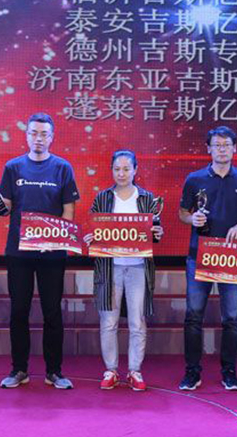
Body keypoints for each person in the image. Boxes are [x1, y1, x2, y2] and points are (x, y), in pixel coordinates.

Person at [0, 113, 80, 390]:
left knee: (52, 312)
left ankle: (54, 371)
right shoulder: (13, 167)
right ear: (26, 135)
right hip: (19, 253)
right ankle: (19, 370)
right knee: (19, 311)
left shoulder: (62, 167)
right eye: (34, 133)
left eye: (44, 134)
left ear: (52, 137)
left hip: (53, 253)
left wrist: (60, 239)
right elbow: (5, 208)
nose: (38, 139)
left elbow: (68, 210)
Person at [178, 126, 237, 392]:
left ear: (235, 148)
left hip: (232, 256)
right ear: (209, 149)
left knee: (232, 317)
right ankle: (192, 372)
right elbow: (182, 212)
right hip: (199, 255)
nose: (222, 149)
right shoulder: (194, 179)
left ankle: (229, 372)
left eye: (226, 145)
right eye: (217, 145)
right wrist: (192, 218)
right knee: (193, 316)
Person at [86, 149, 163, 391]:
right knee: (108, 321)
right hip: (110, 267)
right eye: (117, 169)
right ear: (112, 170)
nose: (121, 173)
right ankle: (111, 370)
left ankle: (134, 371)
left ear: (135, 170)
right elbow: (96, 230)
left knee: (137, 321)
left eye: (126, 169)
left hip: (138, 266)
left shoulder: (147, 199)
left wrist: (158, 233)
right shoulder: (102, 198)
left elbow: (154, 233)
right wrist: (91, 238)